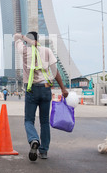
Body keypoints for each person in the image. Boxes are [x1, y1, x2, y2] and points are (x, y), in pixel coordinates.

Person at [14, 32, 69, 161]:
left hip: (31, 89)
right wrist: (63, 88)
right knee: (44, 121)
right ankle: (43, 151)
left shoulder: (24, 50)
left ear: (28, 40)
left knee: (29, 120)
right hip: (45, 89)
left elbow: (16, 36)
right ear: (38, 39)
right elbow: (55, 72)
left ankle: (33, 139)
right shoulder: (47, 50)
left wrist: (25, 39)